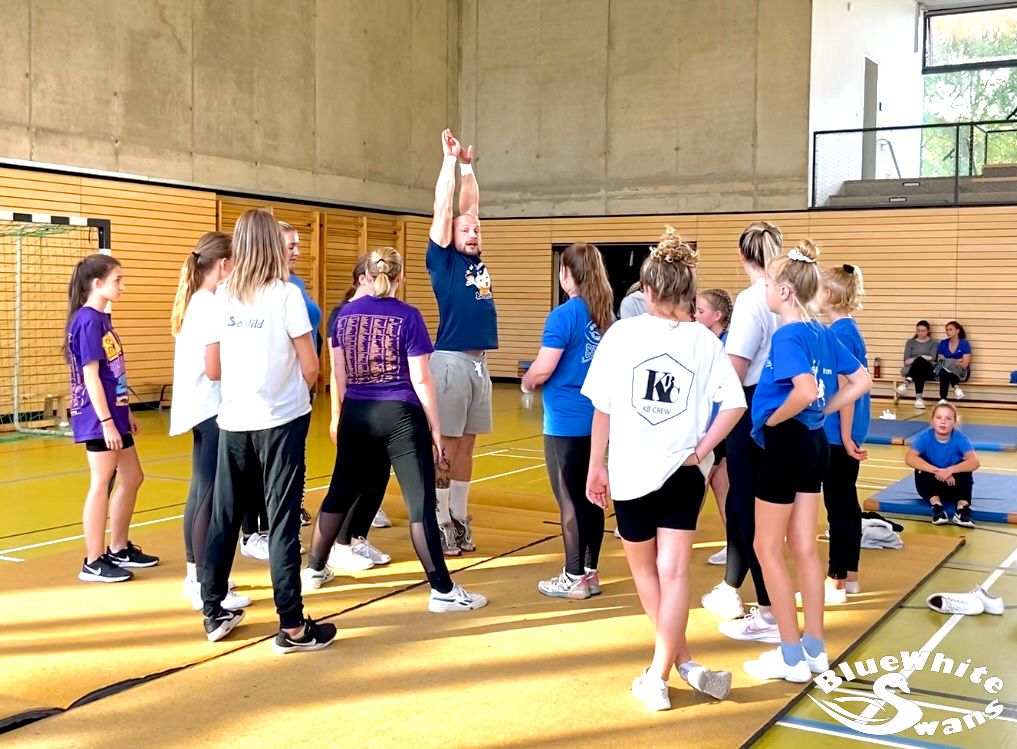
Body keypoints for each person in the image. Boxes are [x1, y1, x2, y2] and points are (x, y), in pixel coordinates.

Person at [583, 227, 746, 711]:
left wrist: (595, 466)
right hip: (682, 472)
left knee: (647, 575)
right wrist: (701, 451)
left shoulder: (622, 333)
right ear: (688, 294)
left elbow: (603, 407)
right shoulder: (704, 341)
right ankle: (680, 663)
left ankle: (658, 675)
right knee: (674, 573)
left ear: (648, 291)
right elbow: (734, 405)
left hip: (631, 470)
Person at [302, 247, 487, 613]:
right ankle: (442, 589)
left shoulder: (343, 316)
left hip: (357, 412)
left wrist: (339, 416)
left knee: (339, 493)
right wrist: (436, 428)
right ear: (400, 277)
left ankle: (314, 569)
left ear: (368, 277)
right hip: (401, 415)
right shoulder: (408, 316)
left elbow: (338, 375)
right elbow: (421, 379)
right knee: (420, 504)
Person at [201, 208, 336, 652]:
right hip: (280, 421)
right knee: (281, 520)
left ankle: (213, 609)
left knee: (225, 516)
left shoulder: (222, 295)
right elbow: (311, 366)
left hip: (233, 420)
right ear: (273, 247)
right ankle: (292, 626)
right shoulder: (285, 296)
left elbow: (213, 368)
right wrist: (288, 392)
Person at [744, 241, 870, 684]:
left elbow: (803, 390)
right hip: (814, 443)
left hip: (788, 443)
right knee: (803, 546)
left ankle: (791, 655)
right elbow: (861, 380)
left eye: (767, 284)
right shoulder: (823, 333)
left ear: (783, 291)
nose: (763, 290)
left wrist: (774, 420)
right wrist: (823, 411)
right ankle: (814, 648)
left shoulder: (789, 335)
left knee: (766, 547)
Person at [702, 222, 781, 644]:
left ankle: (768, 609)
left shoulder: (754, 300)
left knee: (746, 508)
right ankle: (733, 587)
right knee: (749, 506)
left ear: (741, 256)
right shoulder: (790, 295)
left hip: (751, 405)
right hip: (782, 407)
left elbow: (736, 369)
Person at [521, 242, 613, 600]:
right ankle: (589, 572)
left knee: (570, 498)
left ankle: (573, 574)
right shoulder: (606, 315)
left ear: (567, 274)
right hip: (598, 420)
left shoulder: (563, 315)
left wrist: (528, 380)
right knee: (592, 495)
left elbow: (544, 367)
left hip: (565, 421)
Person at [170, 233, 251, 611]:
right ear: (224, 265)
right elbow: (214, 368)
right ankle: (206, 581)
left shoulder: (198, 301)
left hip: (200, 408)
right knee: (210, 496)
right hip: (210, 408)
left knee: (200, 490)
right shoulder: (210, 305)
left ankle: (196, 574)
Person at [66, 254, 159, 583]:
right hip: (97, 418)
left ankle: (118, 547)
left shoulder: (102, 319)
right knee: (101, 483)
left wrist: (125, 409)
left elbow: (112, 373)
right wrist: (107, 421)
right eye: (118, 279)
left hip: (113, 413)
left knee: (132, 476)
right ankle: (93, 560)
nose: (123, 286)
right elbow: (90, 376)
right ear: (97, 283)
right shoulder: (87, 321)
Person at [427, 128, 496, 556]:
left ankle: (458, 516)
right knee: (447, 446)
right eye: (465, 230)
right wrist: (450, 161)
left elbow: (470, 206)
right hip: (450, 362)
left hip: (478, 364)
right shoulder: (444, 260)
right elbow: (445, 206)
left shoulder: (475, 257)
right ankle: (438, 521)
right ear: (449, 236)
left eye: (476, 230)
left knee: (468, 444)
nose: (473, 233)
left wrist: (468, 168)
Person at [322, 255, 392, 572]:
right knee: (354, 478)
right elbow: (337, 372)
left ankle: (359, 537)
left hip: (381, 407)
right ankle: (341, 545)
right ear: (362, 278)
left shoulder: (382, 311)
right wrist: (336, 414)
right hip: (355, 407)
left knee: (379, 474)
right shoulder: (342, 314)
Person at [818, 264, 870, 604]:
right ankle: (849, 575)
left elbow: (846, 389)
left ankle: (836, 578)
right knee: (846, 503)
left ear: (829, 295)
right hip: (845, 432)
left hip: (838, 434)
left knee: (838, 506)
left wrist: (847, 436)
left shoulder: (837, 333)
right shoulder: (850, 329)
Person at [280, 222, 321, 528]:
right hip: (287, 384)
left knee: (297, 452)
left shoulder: (296, 283)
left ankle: (296, 503)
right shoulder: (274, 289)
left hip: (302, 384)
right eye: (291, 246)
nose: (297, 251)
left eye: (298, 245)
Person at [695, 288, 733, 568]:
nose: (695, 316)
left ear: (717, 315)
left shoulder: (724, 346)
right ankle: (735, 543)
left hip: (717, 426)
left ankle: (673, 536)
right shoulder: (710, 342)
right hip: (716, 425)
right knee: (720, 484)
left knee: (701, 482)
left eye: (700, 311)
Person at [905, 402, 979, 527]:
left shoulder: (960, 438)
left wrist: (950, 470)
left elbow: (975, 462)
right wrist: (938, 471)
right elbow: (909, 459)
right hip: (932, 486)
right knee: (921, 461)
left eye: (948, 418)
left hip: (953, 485)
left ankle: (962, 509)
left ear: (954, 423)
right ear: (932, 421)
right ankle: (937, 506)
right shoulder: (924, 438)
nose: (943, 422)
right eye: (939, 418)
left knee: (965, 465)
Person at [896, 320, 937, 409]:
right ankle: (918, 399)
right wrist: (921, 357)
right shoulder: (910, 342)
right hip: (915, 371)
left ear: (928, 331)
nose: (920, 333)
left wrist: (916, 358)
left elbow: (932, 358)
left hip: (928, 370)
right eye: (918, 330)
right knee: (919, 369)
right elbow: (906, 361)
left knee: (920, 362)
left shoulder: (933, 343)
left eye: (923, 331)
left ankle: (906, 382)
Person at [935, 321, 971, 402]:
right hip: (945, 370)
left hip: (961, 371)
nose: (948, 332)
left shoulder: (964, 343)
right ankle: (956, 387)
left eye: (950, 329)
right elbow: (940, 360)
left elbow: (965, 364)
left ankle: (943, 399)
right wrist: (958, 360)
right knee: (945, 371)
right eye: (947, 330)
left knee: (946, 368)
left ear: (957, 331)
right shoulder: (943, 343)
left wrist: (951, 361)